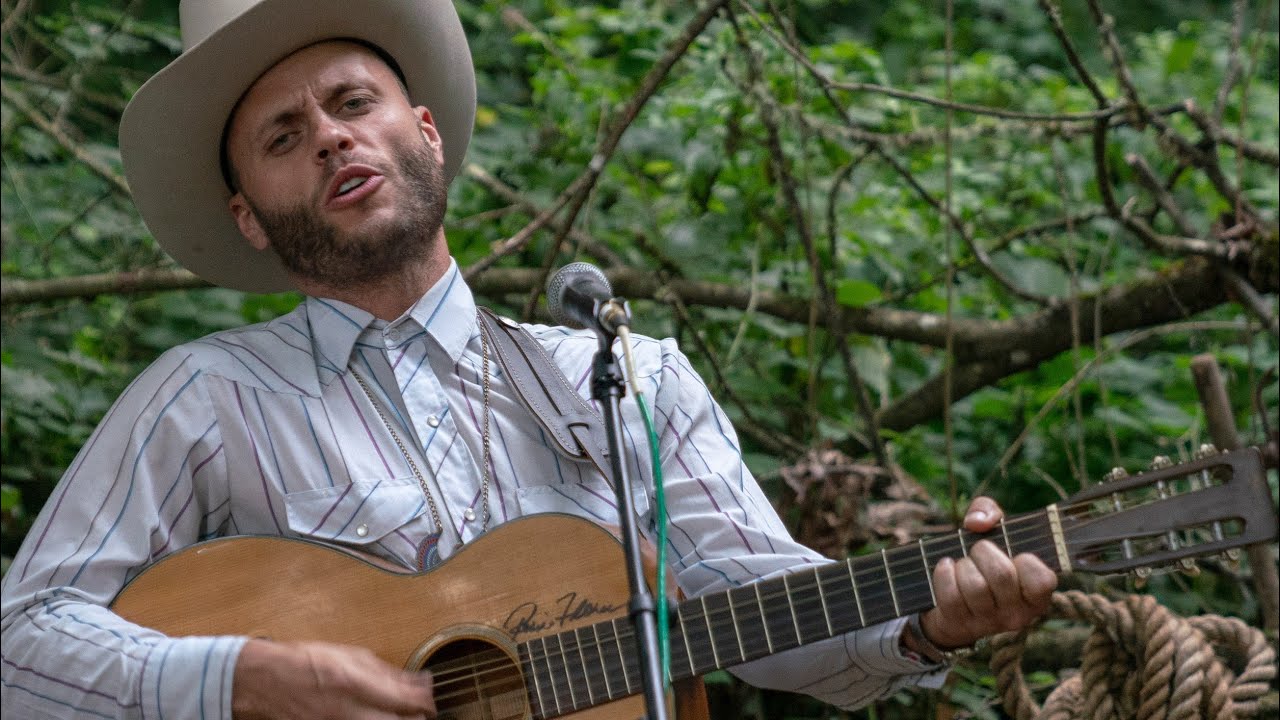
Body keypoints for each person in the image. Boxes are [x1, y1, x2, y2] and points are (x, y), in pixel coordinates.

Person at [0, 1, 1057, 718]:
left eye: (351, 103)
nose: (327, 137)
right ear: (250, 218)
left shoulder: (626, 379)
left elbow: (764, 613)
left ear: (425, 132)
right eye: (281, 137)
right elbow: (20, 648)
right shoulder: (202, 401)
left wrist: (922, 618)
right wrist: (238, 678)